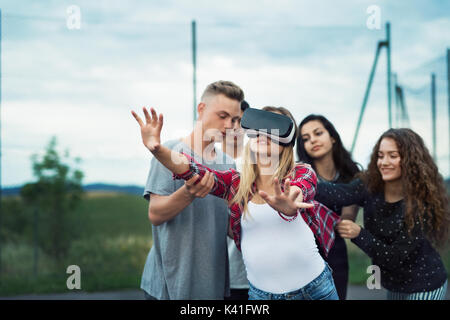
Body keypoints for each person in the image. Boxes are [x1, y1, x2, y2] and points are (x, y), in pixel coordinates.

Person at [132, 105, 341, 300]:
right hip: (261, 295)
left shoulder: (301, 172)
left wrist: (289, 204)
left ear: (286, 142)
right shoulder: (235, 183)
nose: (263, 135)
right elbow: (192, 169)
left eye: (273, 130)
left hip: (314, 289)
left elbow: (302, 187)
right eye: (258, 130)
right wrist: (157, 149)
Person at [138, 80, 244, 300]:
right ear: (201, 109)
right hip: (169, 284)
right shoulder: (170, 153)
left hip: (211, 284)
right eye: (222, 116)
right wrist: (188, 193)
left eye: (235, 120)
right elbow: (155, 215)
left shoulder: (229, 165)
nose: (229, 126)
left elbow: (230, 228)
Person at [316, 128, 449, 300]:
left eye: (393, 156)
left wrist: (359, 234)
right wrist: (302, 181)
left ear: (410, 160)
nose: (384, 162)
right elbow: (338, 193)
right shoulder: (371, 185)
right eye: (380, 155)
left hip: (424, 285)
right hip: (394, 285)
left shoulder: (421, 204)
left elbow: (394, 257)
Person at [297, 114, 361, 300]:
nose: (313, 140)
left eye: (318, 133)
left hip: (336, 251)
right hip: (305, 252)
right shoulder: (302, 174)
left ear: (332, 137)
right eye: (306, 138)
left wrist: (347, 220)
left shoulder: (351, 174)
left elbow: (348, 214)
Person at [221, 100, 249, 300]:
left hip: (246, 273)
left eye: (239, 120)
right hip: (214, 270)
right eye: (228, 119)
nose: (234, 126)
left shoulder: (257, 162)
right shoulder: (205, 161)